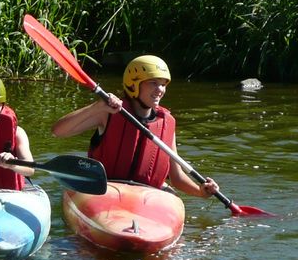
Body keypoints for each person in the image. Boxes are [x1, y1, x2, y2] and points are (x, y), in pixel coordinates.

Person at [51, 55, 220, 198]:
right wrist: (97, 107)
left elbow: (176, 178)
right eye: (153, 83)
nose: (160, 89)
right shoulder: (109, 112)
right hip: (106, 190)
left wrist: (201, 191)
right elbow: (58, 131)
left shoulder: (166, 123)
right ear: (133, 84)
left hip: (146, 195)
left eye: (163, 84)